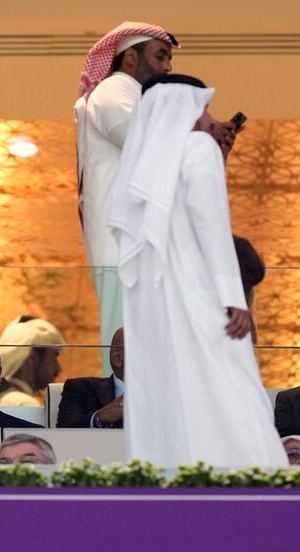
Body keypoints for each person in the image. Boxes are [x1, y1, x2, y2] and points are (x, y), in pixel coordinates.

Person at [108, 73, 286, 467]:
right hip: (202, 296)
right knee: (230, 387)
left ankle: (177, 471)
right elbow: (212, 227)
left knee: (176, 389)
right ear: (181, 109)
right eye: (203, 108)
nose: (210, 119)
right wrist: (232, 298)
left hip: (155, 305)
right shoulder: (197, 148)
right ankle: (247, 472)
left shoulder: (141, 167)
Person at [75, 21, 180, 377]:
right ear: (131, 57)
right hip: (122, 246)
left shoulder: (134, 96)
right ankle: (119, 409)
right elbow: (142, 142)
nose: (168, 66)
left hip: (138, 244)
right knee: (124, 338)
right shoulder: (114, 89)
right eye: (161, 55)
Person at [57, 327, 124, 428]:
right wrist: (99, 418)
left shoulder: (156, 393)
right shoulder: (80, 390)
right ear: (118, 358)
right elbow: (63, 432)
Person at [0, 316, 64, 407]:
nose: (58, 369)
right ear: (33, 357)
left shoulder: (1, 397)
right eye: (53, 357)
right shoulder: (24, 404)